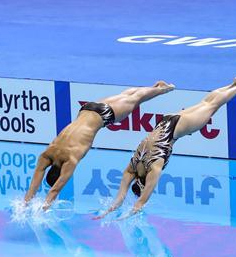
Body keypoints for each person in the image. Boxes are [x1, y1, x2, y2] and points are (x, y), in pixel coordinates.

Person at [95, 73, 236, 219]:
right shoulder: (132, 167)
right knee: (206, 103)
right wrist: (107, 211)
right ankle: (233, 84)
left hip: (180, 127)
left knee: (212, 106)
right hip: (168, 119)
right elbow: (119, 198)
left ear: (143, 182)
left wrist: (125, 216)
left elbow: (141, 202)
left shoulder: (154, 167)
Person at [23, 80, 176, 210]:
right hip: (87, 108)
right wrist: (25, 202)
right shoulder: (47, 154)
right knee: (126, 96)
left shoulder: (71, 159)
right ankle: (155, 86)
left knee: (136, 99)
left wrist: (44, 207)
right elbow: (36, 179)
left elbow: (55, 189)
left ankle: (163, 89)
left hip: (105, 115)